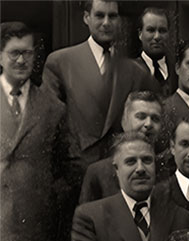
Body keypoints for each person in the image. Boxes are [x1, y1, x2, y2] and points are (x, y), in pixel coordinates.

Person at [0, 21, 67, 241]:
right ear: (1, 56)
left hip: (34, 230)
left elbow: (64, 167)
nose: (21, 60)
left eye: (27, 53)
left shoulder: (52, 107)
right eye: (14, 53)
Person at [42, 0, 154, 175]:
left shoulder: (136, 72)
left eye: (112, 16)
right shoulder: (61, 62)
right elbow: (50, 122)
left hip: (121, 170)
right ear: (86, 17)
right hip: (75, 170)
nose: (106, 23)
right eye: (100, 15)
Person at [79, 90, 170, 204]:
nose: (148, 124)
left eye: (155, 119)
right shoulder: (98, 173)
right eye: (141, 117)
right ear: (124, 122)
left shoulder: (168, 171)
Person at [132, 7, 176, 96]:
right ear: (140, 34)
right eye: (151, 30)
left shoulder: (177, 71)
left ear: (169, 34)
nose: (157, 37)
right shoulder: (129, 72)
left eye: (162, 31)